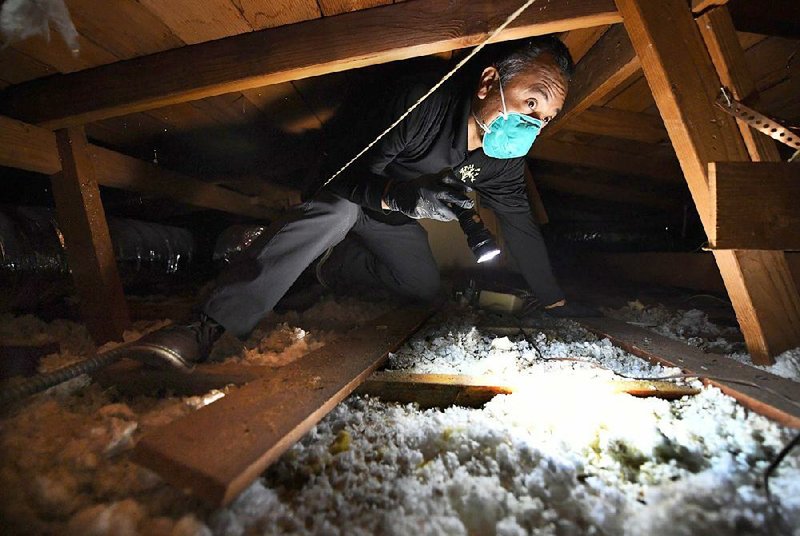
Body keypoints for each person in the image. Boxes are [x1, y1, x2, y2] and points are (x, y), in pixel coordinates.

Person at [126, 35, 599, 369]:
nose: (533, 124)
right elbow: (344, 174)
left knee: (420, 285)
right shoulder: (423, 99)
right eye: (531, 103)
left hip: (388, 214)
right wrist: (400, 195)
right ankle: (205, 325)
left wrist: (555, 301)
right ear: (488, 80)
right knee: (336, 211)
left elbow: (519, 225)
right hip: (345, 187)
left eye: (545, 118)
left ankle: (324, 267)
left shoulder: (502, 161)